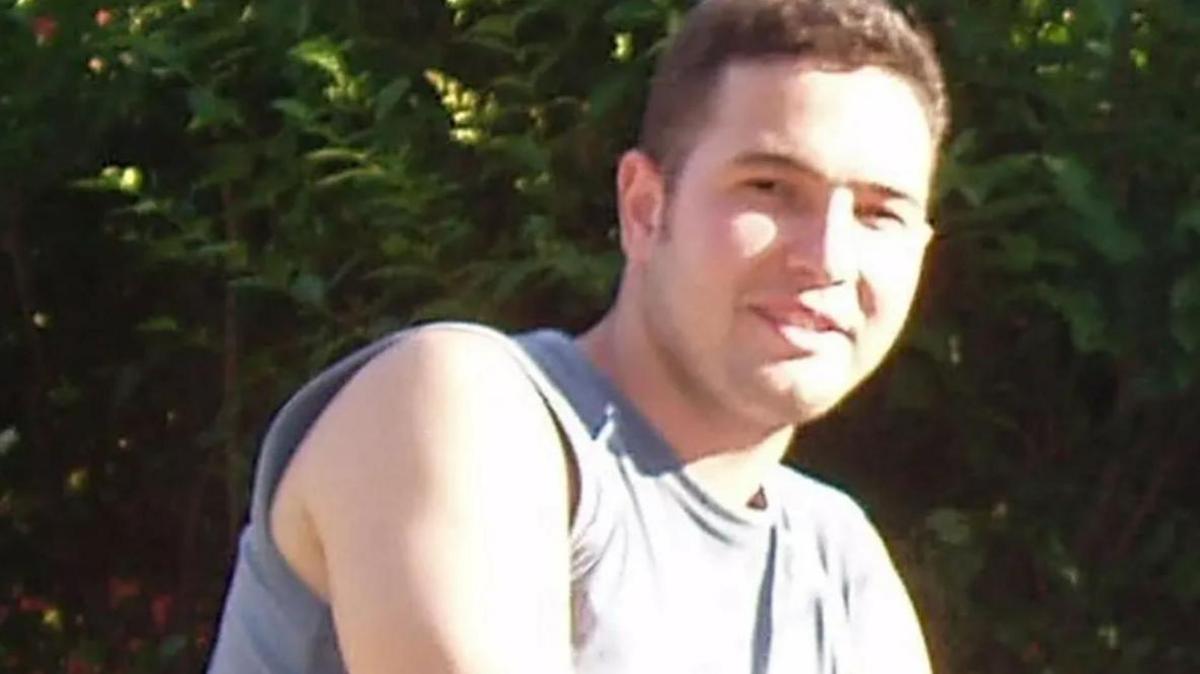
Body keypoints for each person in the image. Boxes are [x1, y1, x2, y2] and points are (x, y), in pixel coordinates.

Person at [206, 0, 950, 671]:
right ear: (644, 208)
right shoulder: (463, 409)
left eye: (879, 213)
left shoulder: (838, 571)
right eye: (770, 189)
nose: (827, 257)